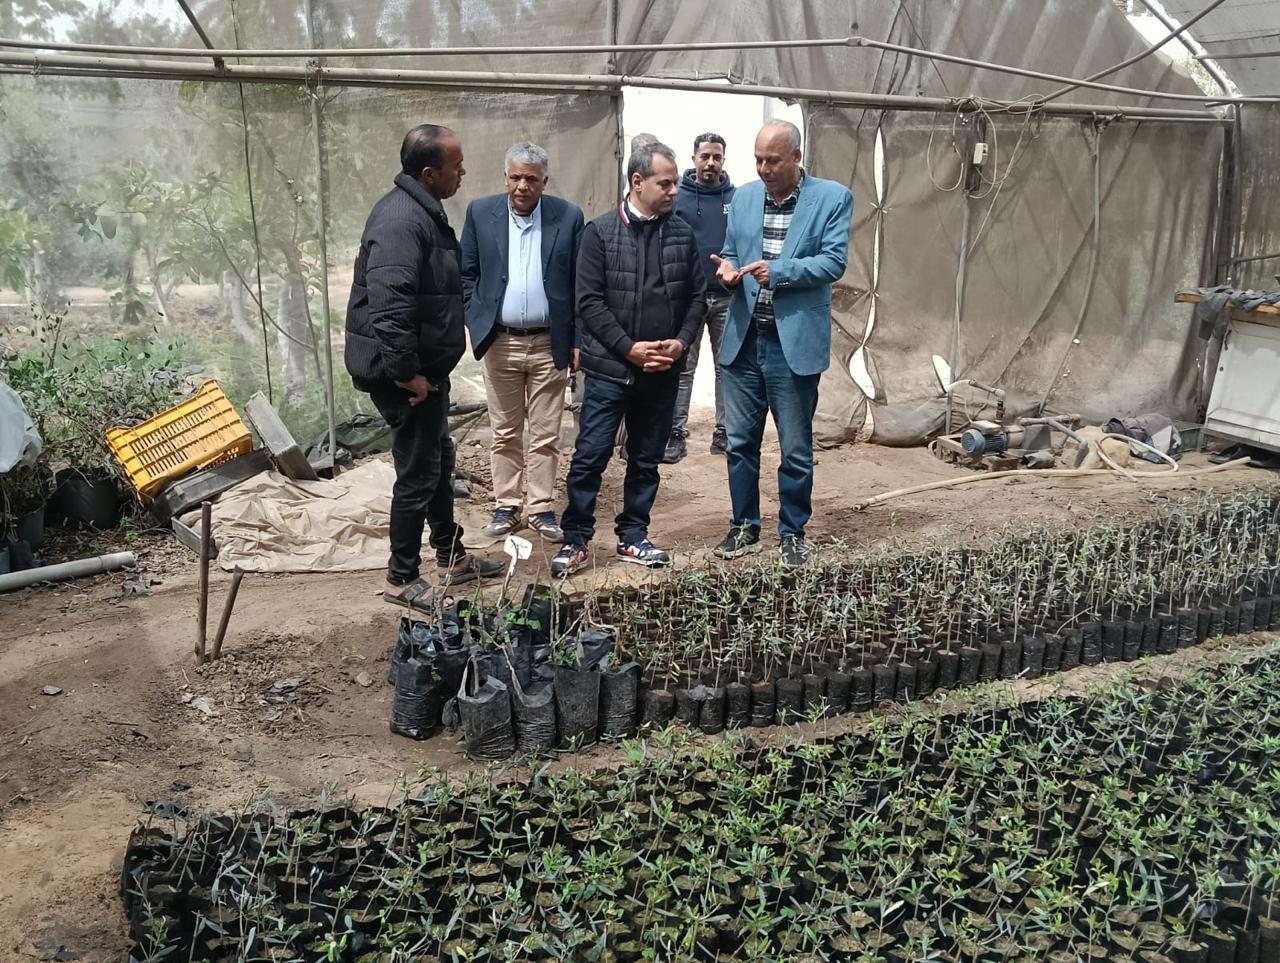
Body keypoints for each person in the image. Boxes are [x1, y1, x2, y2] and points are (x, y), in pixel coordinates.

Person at [344, 124, 503, 609]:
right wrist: (405, 372)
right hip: (404, 377)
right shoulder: (400, 221)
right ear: (430, 173)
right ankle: (401, 578)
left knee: (437, 461)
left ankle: (452, 558)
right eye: (456, 166)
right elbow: (389, 307)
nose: (463, 173)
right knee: (417, 471)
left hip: (423, 372)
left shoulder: (421, 211)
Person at [551, 140, 707, 577]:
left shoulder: (682, 234)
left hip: (661, 372)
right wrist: (629, 349)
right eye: (666, 183)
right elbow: (589, 302)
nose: (675, 190)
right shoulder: (600, 233)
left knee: (646, 459)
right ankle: (576, 539)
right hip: (610, 372)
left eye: (675, 183)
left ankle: (633, 536)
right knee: (590, 456)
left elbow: (697, 297)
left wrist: (681, 343)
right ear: (637, 182)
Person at [710, 120, 854, 568]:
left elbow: (833, 262)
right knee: (739, 442)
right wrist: (728, 270)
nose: (764, 168)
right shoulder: (743, 197)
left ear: (796, 156)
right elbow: (732, 250)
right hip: (744, 340)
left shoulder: (832, 198)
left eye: (773, 160)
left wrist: (780, 271)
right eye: (758, 160)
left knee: (794, 447)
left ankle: (792, 532)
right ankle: (744, 526)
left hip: (791, 343)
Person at [461, 142, 584, 544]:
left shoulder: (568, 217)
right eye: (515, 177)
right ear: (505, 178)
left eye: (531, 179)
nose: (522, 186)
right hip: (501, 342)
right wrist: (475, 317)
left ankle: (541, 507)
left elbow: (580, 282)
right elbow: (466, 273)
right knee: (505, 431)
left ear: (544, 181)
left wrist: (577, 339)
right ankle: (507, 505)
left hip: (550, 343)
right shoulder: (481, 213)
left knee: (547, 433)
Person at [668, 132, 735, 462]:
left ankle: (724, 432)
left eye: (716, 157)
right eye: (705, 156)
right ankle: (675, 432)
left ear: (723, 160)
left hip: (727, 298)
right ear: (693, 158)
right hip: (688, 298)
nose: (710, 163)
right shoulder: (676, 196)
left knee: (727, 368)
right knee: (683, 367)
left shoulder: (736, 198)